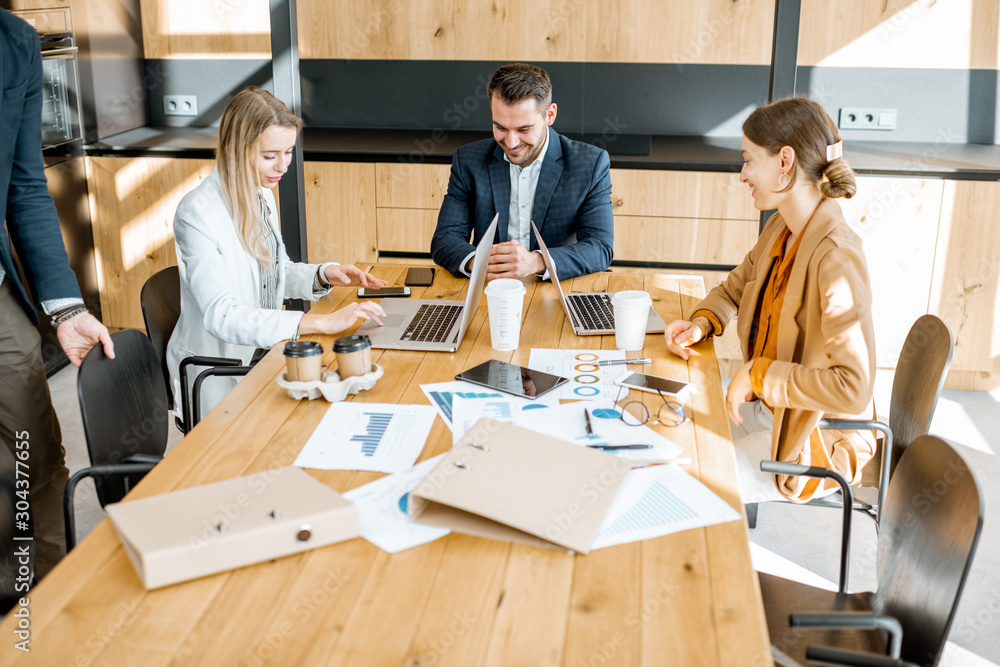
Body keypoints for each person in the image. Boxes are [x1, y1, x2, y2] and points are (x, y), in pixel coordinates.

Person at [663, 96, 876, 504]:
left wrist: (760, 375)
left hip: (813, 435)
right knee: (668, 440)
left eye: (748, 160)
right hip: (767, 410)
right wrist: (703, 321)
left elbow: (853, 390)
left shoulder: (837, 258)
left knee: (688, 488)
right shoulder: (782, 226)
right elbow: (735, 288)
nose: (742, 174)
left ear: (784, 162)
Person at [167, 87, 386, 420]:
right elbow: (222, 316)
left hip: (263, 351)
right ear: (232, 149)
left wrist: (322, 273)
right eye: (270, 155)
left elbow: (272, 272)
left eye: (288, 151)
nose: (282, 166)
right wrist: (317, 323)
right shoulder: (197, 213)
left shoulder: (260, 192)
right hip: (220, 368)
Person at [1, 9, 114, 581]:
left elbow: (24, 184)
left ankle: (33, 609)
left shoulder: (14, 42)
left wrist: (66, 306)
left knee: (34, 458)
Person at [431, 63, 614, 281]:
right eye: (500, 127)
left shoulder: (590, 163)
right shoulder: (468, 161)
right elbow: (445, 238)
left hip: (558, 287)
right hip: (492, 287)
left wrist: (536, 261)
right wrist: (479, 262)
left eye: (523, 129)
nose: (510, 142)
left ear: (550, 115)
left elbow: (600, 247)